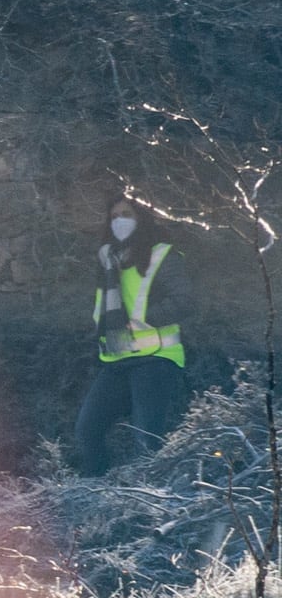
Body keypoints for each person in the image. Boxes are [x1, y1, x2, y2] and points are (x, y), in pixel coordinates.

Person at [72, 201, 197, 474]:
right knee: (86, 430)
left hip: (156, 360)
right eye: (114, 216)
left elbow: (187, 302)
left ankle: (149, 506)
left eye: (126, 215)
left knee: (147, 442)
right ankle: (98, 498)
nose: (119, 221)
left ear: (142, 218)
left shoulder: (163, 256)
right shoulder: (108, 261)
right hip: (117, 360)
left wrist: (145, 319)